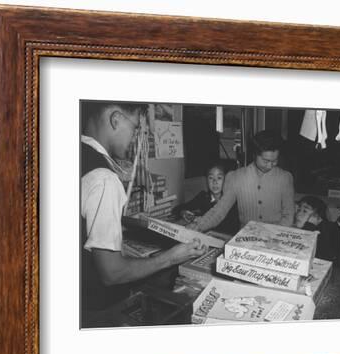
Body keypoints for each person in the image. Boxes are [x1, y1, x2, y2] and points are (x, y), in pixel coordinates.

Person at [80, 102, 207, 318]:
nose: (134, 138)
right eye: (135, 128)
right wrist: (172, 257)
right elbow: (112, 273)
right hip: (96, 307)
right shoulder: (104, 180)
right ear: (116, 119)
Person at [188, 130, 295, 232]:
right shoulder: (236, 177)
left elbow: (288, 216)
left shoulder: (285, 178)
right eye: (266, 160)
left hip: (275, 237)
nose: (270, 165)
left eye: (274, 161)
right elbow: (219, 211)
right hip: (245, 238)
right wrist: (199, 225)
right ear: (255, 154)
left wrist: (272, 234)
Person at [173, 161, 239, 234]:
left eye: (219, 178)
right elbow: (177, 208)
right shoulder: (203, 197)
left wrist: (199, 222)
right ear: (207, 180)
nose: (214, 182)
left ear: (226, 180)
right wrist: (183, 212)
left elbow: (232, 228)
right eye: (211, 178)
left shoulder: (230, 200)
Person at [294, 195, 340, 262]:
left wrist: (310, 226)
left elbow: (306, 251)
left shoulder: (324, 232)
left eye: (305, 211)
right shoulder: (296, 228)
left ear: (317, 217)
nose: (298, 214)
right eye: (299, 210)